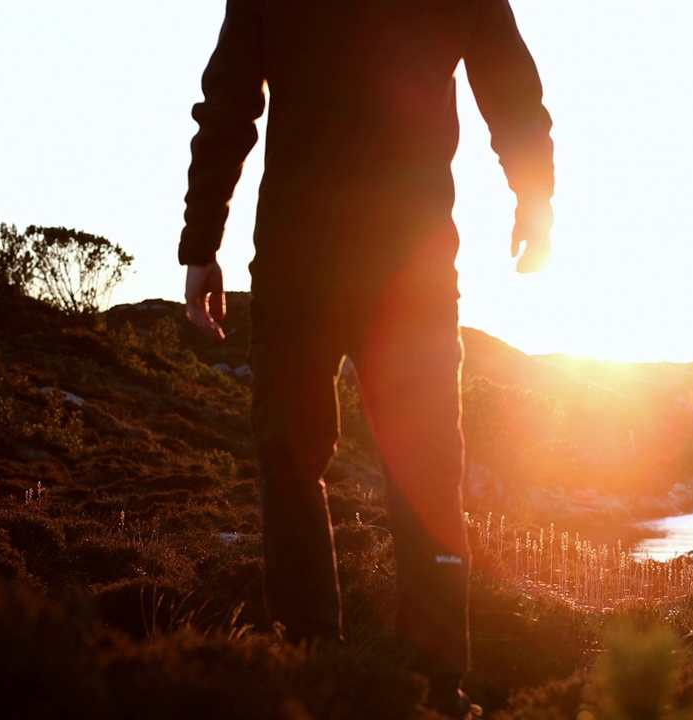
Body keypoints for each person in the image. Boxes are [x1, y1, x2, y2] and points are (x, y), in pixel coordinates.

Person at [178, 0, 554, 716]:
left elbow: (227, 102)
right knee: (401, 470)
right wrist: (535, 201)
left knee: (302, 462)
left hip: (317, 266)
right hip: (377, 271)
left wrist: (202, 243)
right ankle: (410, 682)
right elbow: (510, 87)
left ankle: (328, 666)